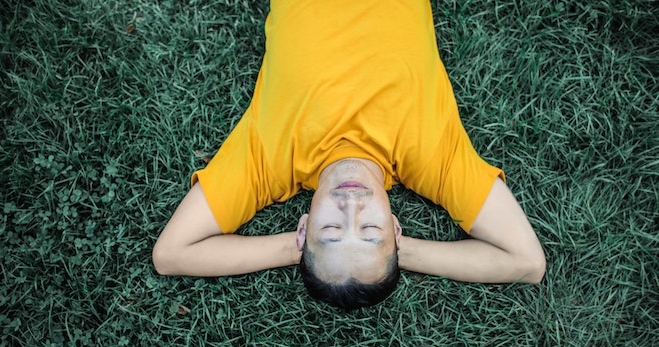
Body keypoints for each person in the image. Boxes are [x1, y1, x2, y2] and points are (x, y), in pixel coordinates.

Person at [152, 0, 546, 310]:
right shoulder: (434, 160)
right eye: (371, 231)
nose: (351, 207)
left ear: (303, 229)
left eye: (331, 231)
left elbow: (171, 254)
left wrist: (307, 248)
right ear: (395, 228)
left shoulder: (268, 163)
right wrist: (382, 251)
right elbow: (526, 262)